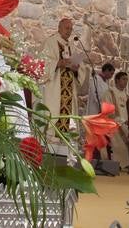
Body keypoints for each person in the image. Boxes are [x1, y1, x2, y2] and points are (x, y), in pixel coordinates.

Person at [38, 18, 90, 156]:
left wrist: (76, 68)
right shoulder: (50, 42)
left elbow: (81, 69)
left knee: (68, 119)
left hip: (68, 89)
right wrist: (58, 63)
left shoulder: (72, 47)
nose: (69, 31)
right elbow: (43, 62)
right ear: (59, 28)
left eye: (71, 29)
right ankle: (50, 150)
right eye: (67, 28)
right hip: (55, 89)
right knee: (53, 115)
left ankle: (65, 151)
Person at [107, 69, 129, 171]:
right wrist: (120, 121)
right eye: (123, 79)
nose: (126, 81)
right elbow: (108, 110)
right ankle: (119, 164)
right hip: (113, 123)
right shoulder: (110, 93)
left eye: (127, 79)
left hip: (125, 124)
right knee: (119, 135)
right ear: (117, 80)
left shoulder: (126, 96)